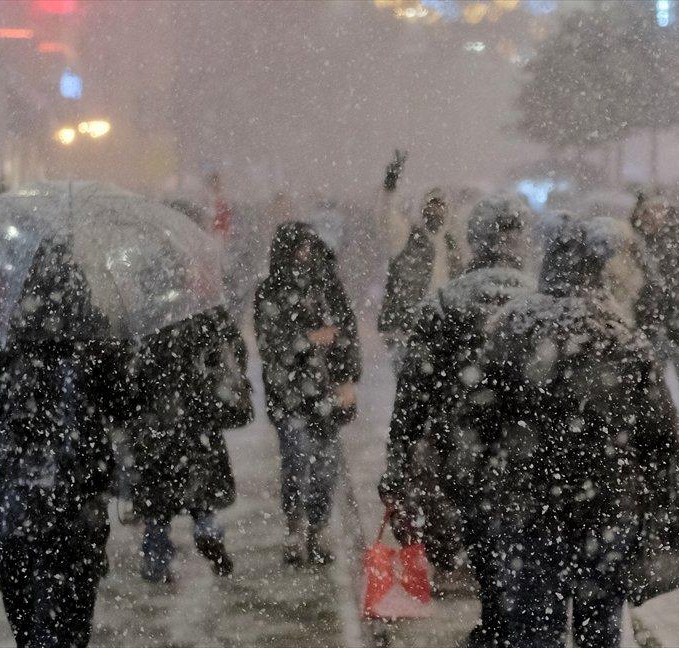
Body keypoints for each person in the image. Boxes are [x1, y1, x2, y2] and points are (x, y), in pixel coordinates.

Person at [467, 216, 679, 648]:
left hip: (530, 501)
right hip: (607, 503)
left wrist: (487, 477)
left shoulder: (511, 328)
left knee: (533, 624)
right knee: (600, 624)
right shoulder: (621, 332)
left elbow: (479, 417)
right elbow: (660, 429)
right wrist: (661, 498)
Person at [380, 195, 535, 646]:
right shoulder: (538, 302)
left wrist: (397, 462)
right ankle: (521, 622)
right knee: (524, 545)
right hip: (526, 451)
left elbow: (412, 395)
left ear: (473, 241)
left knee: (484, 541)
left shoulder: (443, 304)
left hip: (465, 450)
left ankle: (496, 623)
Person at [0, 244, 132, 648]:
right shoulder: (96, 333)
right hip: (75, 500)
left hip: (7, 501)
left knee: (27, 620)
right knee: (70, 621)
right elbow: (125, 404)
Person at [255, 222, 361, 566]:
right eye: (298, 248)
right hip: (287, 393)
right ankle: (295, 526)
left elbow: (347, 333)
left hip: (325, 392)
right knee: (297, 458)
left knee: (325, 464)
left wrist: (346, 380)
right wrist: (308, 340)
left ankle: (318, 526)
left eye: (308, 248)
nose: (305, 255)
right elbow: (270, 344)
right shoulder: (269, 292)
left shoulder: (327, 286)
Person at [130, 307, 252, 583]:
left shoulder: (142, 316)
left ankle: (156, 560)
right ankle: (207, 533)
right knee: (200, 489)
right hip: (197, 415)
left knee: (157, 503)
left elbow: (129, 371)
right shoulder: (202, 311)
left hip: (156, 421)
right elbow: (231, 347)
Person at [629, 194, 679, 431]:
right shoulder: (633, 244)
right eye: (649, 210)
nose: (654, 216)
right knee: (650, 391)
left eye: (659, 209)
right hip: (647, 327)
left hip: (675, 326)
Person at [378, 172, 464, 362]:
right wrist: (389, 190)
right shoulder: (408, 236)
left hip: (442, 327)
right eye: (431, 206)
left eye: (440, 206)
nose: (435, 212)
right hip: (407, 329)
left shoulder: (451, 243)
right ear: (422, 208)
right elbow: (386, 220)